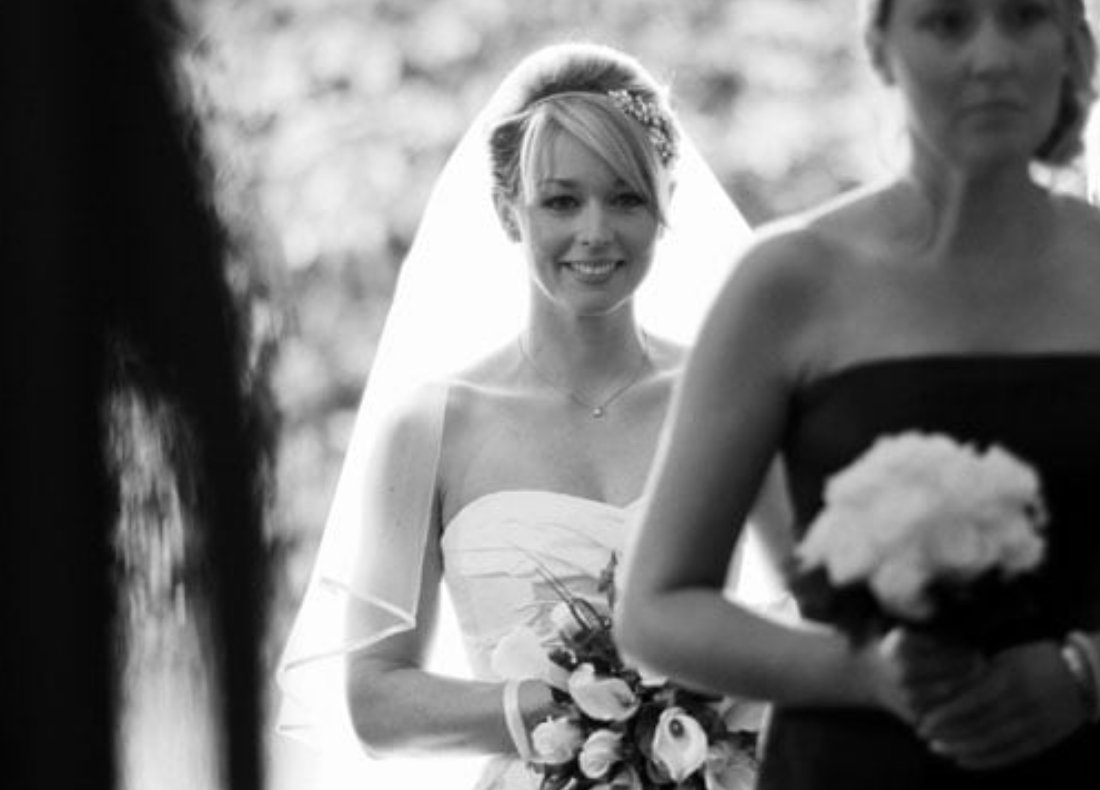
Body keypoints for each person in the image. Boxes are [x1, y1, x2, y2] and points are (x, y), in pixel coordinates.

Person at [275, 41, 788, 790]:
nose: (595, 232)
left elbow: (830, 610)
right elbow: (376, 701)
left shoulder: (729, 394)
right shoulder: (433, 426)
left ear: (665, 203)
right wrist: (579, 706)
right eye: (560, 200)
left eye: (626, 197)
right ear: (507, 211)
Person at [616, 1, 1100, 788]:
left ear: (1070, 41)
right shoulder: (786, 281)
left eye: (1024, 18)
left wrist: (1085, 676)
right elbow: (657, 609)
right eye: (948, 22)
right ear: (881, 46)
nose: (992, 56)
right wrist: (871, 674)